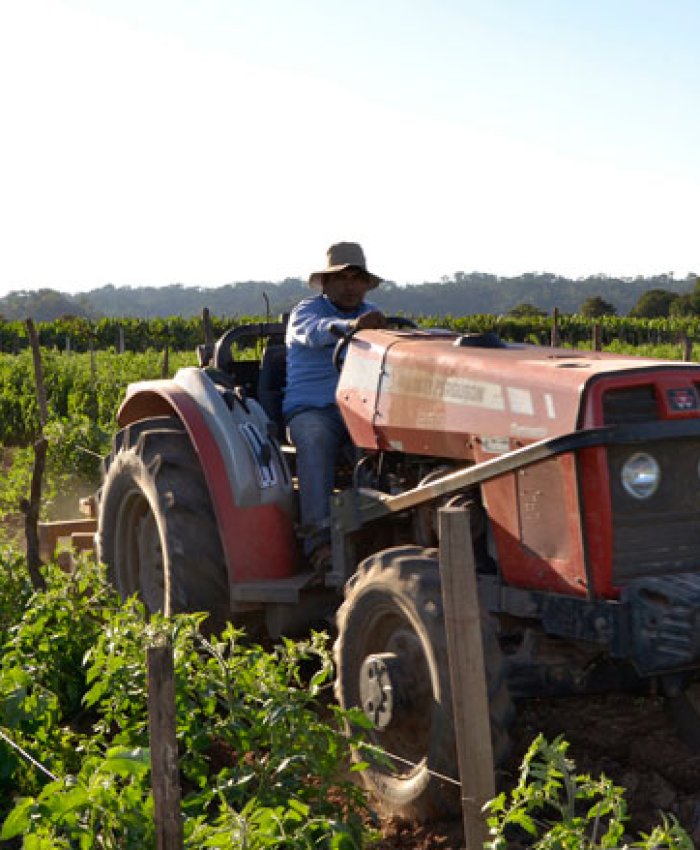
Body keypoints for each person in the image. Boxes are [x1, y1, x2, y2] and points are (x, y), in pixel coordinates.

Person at [283, 242, 386, 573]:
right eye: (342, 278)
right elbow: (312, 333)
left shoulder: (373, 314)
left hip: (361, 409)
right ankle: (319, 542)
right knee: (314, 439)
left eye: (357, 278)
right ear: (325, 283)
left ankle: (376, 536)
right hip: (314, 410)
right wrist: (352, 328)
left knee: (386, 451)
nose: (350, 286)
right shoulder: (307, 312)